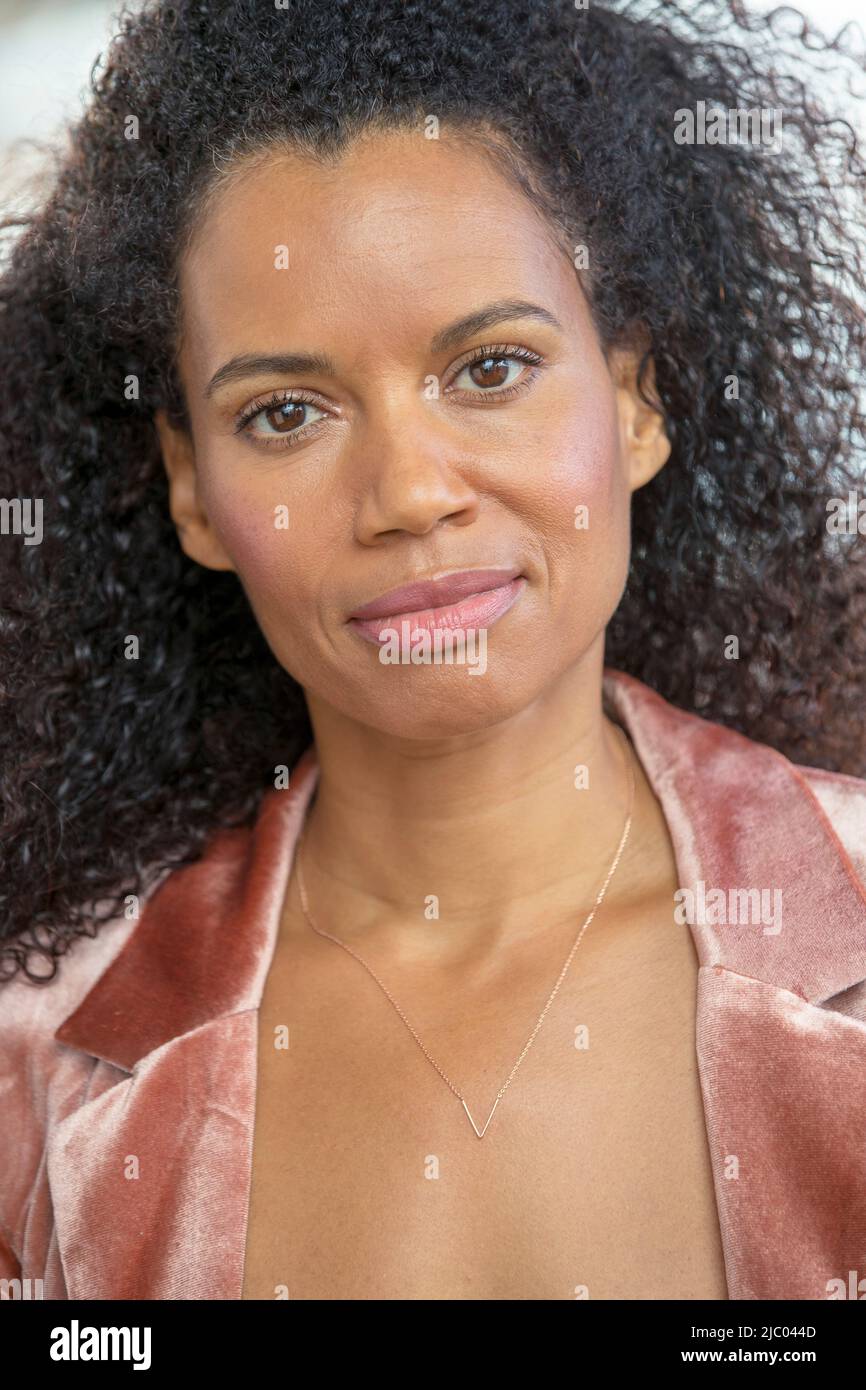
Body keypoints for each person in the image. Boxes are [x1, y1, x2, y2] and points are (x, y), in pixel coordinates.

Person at [1, 0, 865, 1302]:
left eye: (489, 368)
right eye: (285, 411)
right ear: (189, 487)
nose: (408, 490)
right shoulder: (37, 1072)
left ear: (635, 400)